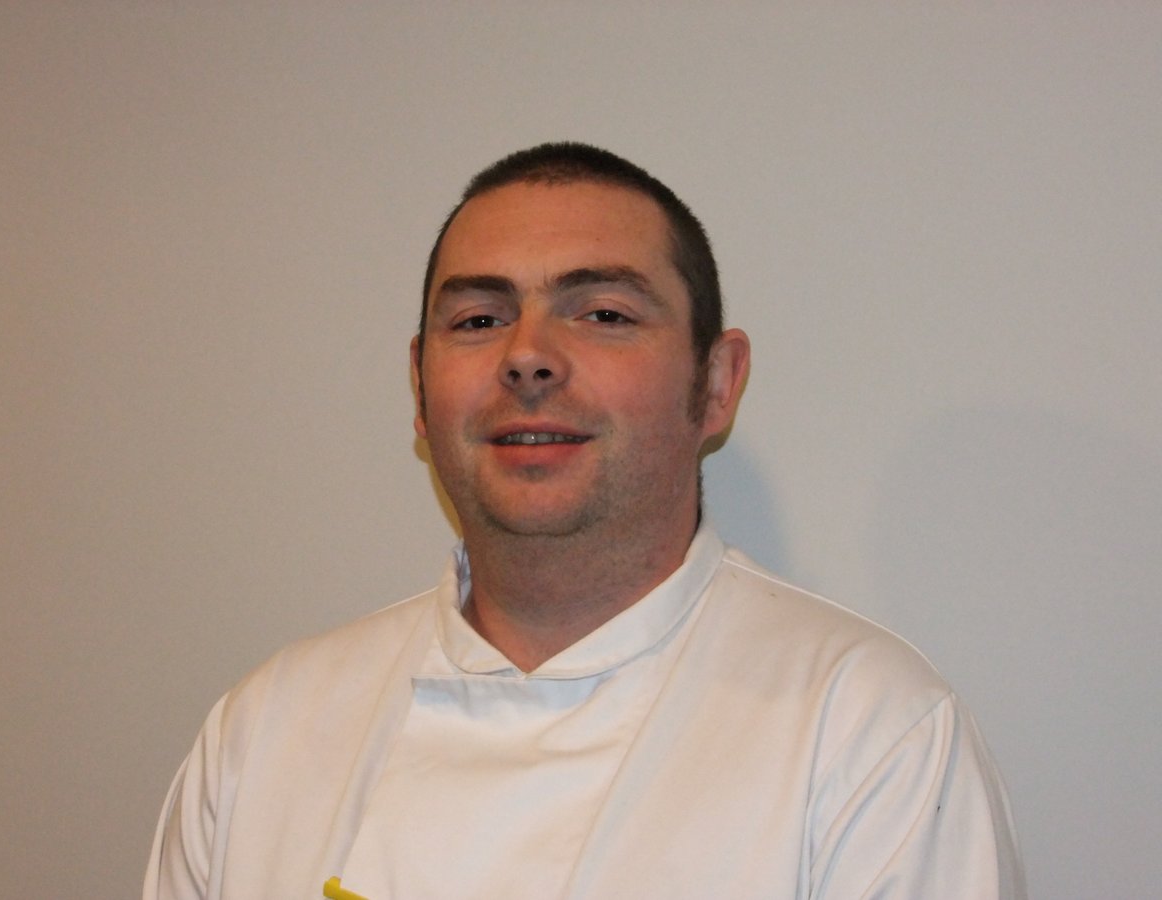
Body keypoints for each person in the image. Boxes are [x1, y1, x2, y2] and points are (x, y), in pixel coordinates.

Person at [144, 142, 1025, 899]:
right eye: (479, 319)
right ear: (418, 387)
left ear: (716, 384)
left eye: (603, 314)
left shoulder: (871, 738)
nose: (526, 356)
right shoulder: (265, 733)